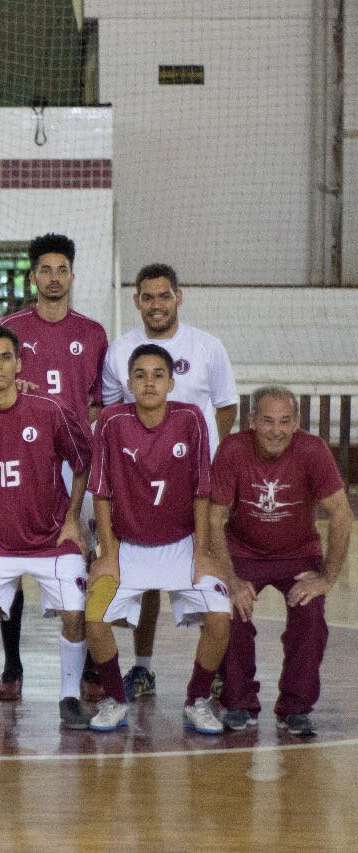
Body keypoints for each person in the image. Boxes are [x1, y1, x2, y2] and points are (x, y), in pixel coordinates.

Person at [101, 263, 236, 700]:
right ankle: (142, 668)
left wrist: (197, 458)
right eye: (148, 296)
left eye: (164, 296)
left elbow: (225, 408)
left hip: (197, 485)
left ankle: (217, 673)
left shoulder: (207, 346)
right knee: (147, 578)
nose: (156, 304)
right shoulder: (120, 350)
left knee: (211, 568)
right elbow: (110, 415)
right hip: (140, 486)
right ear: (136, 301)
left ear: (179, 296)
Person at [0, 326, 92, 729]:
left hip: (51, 538)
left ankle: (68, 697)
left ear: (19, 363)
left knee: (74, 614)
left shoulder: (49, 410)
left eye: (5, 358)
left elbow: (82, 464)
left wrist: (72, 520)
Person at [84, 344, 229, 735]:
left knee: (219, 617)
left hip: (182, 545)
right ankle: (115, 699)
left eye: (157, 374)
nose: (149, 382)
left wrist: (203, 552)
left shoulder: (191, 418)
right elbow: (101, 492)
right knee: (94, 619)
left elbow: (202, 490)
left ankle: (197, 699)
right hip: (128, 547)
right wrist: (108, 554)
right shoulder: (112, 421)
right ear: (129, 383)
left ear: (171, 381)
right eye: (141, 375)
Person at [0, 234, 108, 700]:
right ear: (32, 276)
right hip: (23, 462)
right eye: (45, 269)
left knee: (81, 558)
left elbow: (102, 404)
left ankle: (87, 671)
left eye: (62, 269)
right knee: (14, 559)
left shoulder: (93, 333)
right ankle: (12, 667)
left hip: (77, 463)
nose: (54, 277)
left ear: (72, 275)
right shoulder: (9, 329)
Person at [211, 386, 353, 736]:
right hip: (243, 551)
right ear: (252, 422)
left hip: (298, 553)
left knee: (310, 615)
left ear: (296, 424)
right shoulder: (232, 449)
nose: (276, 430)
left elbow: (341, 514)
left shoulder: (313, 450)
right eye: (268, 421)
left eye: (285, 421)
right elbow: (214, 519)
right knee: (231, 611)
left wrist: (328, 577)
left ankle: (296, 707)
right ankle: (239, 702)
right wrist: (230, 578)